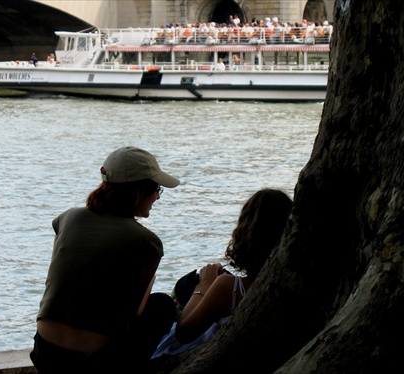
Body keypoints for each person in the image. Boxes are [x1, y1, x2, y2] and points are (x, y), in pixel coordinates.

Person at [30, 146, 180, 373]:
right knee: (162, 306)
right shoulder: (147, 241)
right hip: (95, 363)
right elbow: (133, 314)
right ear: (139, 190)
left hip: (45, 352)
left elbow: (60, 281)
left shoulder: (68, 218)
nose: (158, 196)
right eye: (156, 188)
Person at [151, 188, 292, 359]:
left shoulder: (229, 287)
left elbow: (184, 333)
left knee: (182, 289)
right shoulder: (294, 284)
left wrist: (203, 285)